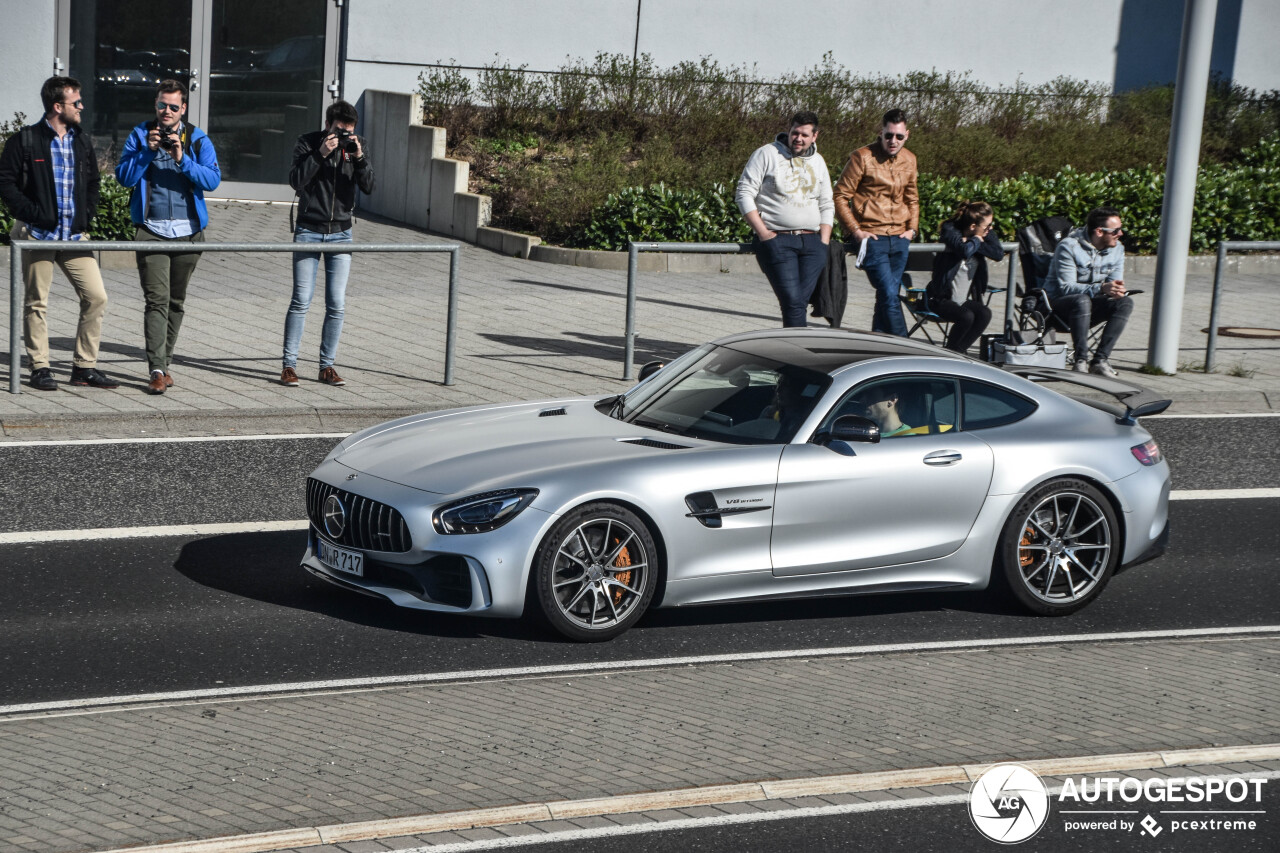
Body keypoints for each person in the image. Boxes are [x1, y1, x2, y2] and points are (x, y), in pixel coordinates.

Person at [0, 76, 117, 391]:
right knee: (37, 302)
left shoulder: (80, 139)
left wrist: (87, 215)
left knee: (96, 297)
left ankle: (83, 367)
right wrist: (34, 215)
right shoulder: (26, 140)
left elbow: (92, 181)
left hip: (73, 236)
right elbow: (6, 183)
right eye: (75, 102)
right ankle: (40, 367)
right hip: (38, 235)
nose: (81, 107)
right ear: (57, 106)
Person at [115, 79, 221, 395]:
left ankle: (166, 362)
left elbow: (213, 180)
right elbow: (124, 178)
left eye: (174, 106)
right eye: (162, 105)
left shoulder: (198, 140)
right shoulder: (139, 135)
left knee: (176, 302)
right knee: (156, 300)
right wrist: (146, 152)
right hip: (152, 231)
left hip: (189, 233)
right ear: (156, 105)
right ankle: (157, 370)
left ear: (183, 109)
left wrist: (181, 158)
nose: (167, 111)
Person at [280, 100, 375, 387]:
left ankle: (327, 366)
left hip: (341, 232)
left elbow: (369, 186)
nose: (343, 136)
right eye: (338, 131)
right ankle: (289, 365)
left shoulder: (356, 147)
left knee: (336, 303)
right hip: (309, 229)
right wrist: (321, 153)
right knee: (301, 300)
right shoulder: (307, 143)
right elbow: (296, 180)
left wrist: (359, 158)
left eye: (349, 131)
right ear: (327, 125)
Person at [735, 111, 834, 328]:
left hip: (812, 242)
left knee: (798, 303)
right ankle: (798, 354)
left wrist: (824, 241)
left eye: (804, 135)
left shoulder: (818, 161)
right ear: (788, 131)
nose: (798, 138)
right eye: (795, 132)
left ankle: (794, 352)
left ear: (815, 136)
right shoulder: (766, 154)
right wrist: (765, 234)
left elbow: (827, 202)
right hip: (778, 240)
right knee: (792, 302)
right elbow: (743, 193)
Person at [833, 108, 919, 337]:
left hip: (900, 237)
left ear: (907, 135)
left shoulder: (910, 159)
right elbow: (840, 195)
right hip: (873, 238)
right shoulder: (862, 157)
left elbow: (912, 197)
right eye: (889, 135)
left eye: (899, 136)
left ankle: (879, 348)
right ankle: (906, 347)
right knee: (890, 294)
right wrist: (856, 231)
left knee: (886, 296)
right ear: (881, 132)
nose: (893, 141)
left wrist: (912, 228)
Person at [1045, 206, 1132, 376]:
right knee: (1081, 300)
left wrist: (1116, 290)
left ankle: (1100, 360)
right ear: (1099, 231)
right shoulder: (1069, 247)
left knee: (1125, 303)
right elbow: (1066, 288)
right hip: (1057, 306)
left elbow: (1113, 283)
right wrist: (1101, 288)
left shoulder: (1117, 249)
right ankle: (1081, 360)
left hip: (1089, 306)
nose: (1120, 234)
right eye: (1116, 231)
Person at [927, 200, 1001, 353]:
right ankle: (950, 353)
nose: (990, 229)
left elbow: (998, 253)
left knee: (984, 313)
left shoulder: (984, 233)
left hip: (963, 299)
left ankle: (957, 351)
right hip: (940, 297)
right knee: (966, 316)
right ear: (973, 226)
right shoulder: (951, 229)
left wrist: (975, 242)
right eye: (986, 226)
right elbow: (964, 251)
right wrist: (975, 240)